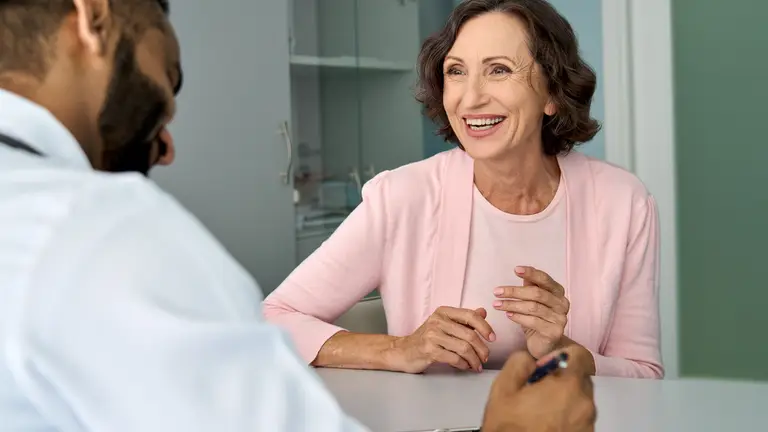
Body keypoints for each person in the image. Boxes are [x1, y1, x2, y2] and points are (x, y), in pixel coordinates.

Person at [0, 0, 597, 431]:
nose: (168, 146)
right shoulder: (97, 231)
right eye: (165, 84)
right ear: (93, 17)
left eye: (500, 69)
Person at [263, 0, 664, 379]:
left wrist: (560, 352)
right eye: (456, 71)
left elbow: (644, 373)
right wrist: (399, 349)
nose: (470, 99)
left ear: (552, 94)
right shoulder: (401, 197)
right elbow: (272, 317)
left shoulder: (622, 203)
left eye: (499, 70)